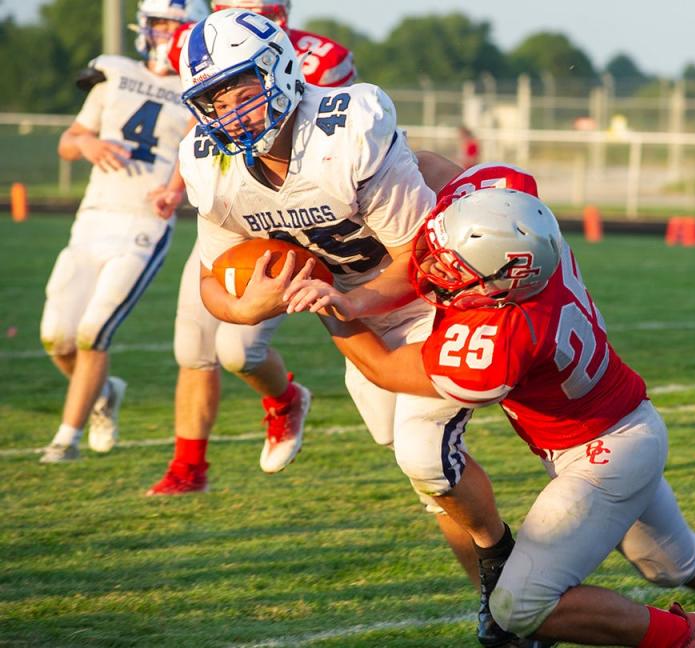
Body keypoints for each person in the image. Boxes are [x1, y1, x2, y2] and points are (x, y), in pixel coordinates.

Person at [285, 166, 695, 648]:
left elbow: (383, 369)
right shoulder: (520, 225)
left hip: (600, 456)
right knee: (672, 562)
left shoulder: (506, 336)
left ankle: (687, 638)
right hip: (632, 426)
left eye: (454, 269)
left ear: (505, 280)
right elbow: (446, 169)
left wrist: (329, 302)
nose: (434, 269)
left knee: (518, 608)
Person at [173, 12, 540, 646]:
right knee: (427, 480)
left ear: (280, 67)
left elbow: (420, 261)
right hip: (354, 318)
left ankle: (508, 574)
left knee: (424, 455)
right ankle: (498, 573)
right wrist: (249, 308)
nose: (228, 108)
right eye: (212, 97)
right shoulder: (214, 165)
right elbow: (212, 279)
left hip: (433, 299)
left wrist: (350, 300)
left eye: (239, 86)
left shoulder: (347, 129)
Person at [144, 0, 359, 495]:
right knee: (195, 343)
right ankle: (189, 467)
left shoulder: (321, 56)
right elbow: (198, 130)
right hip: (235, 212)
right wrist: (178, 186)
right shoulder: (194, 48)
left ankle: (286, 400)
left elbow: (335, 142)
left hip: (305, 218)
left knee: (239, 349)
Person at [38, 0, 205, 464]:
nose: (167, 33)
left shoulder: (199, 90)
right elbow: (68, 142)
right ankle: (103, 392)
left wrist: (174, 191)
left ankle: (65, 439)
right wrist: (88, 142)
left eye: (177, 24)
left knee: (94, 333)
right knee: (57, 337)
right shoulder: (112, 75)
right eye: (161, 23)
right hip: (92, 216)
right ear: (145, 27)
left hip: (143, 222)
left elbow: (196, 156)